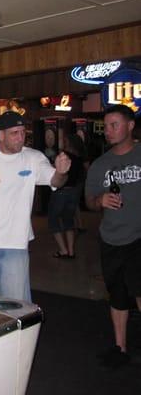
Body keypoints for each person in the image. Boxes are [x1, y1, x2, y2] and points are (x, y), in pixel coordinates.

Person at [0, 111, 71, 301]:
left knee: (17, 305)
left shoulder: (33, 157)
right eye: (14, 133)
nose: (20, 138)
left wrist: (61, 172)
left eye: (23, 132)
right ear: (0, 135)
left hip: (16, 244)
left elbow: (56, 182)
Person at [85, 104, 141, 368]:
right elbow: (88, 201)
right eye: (105, 126)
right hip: (111, 238)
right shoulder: (100, 164)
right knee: (117, 294)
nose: (108, 131)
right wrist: (100, 200)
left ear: (130, 126)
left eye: (114, 125)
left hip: (139, 236)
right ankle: (120, 347)